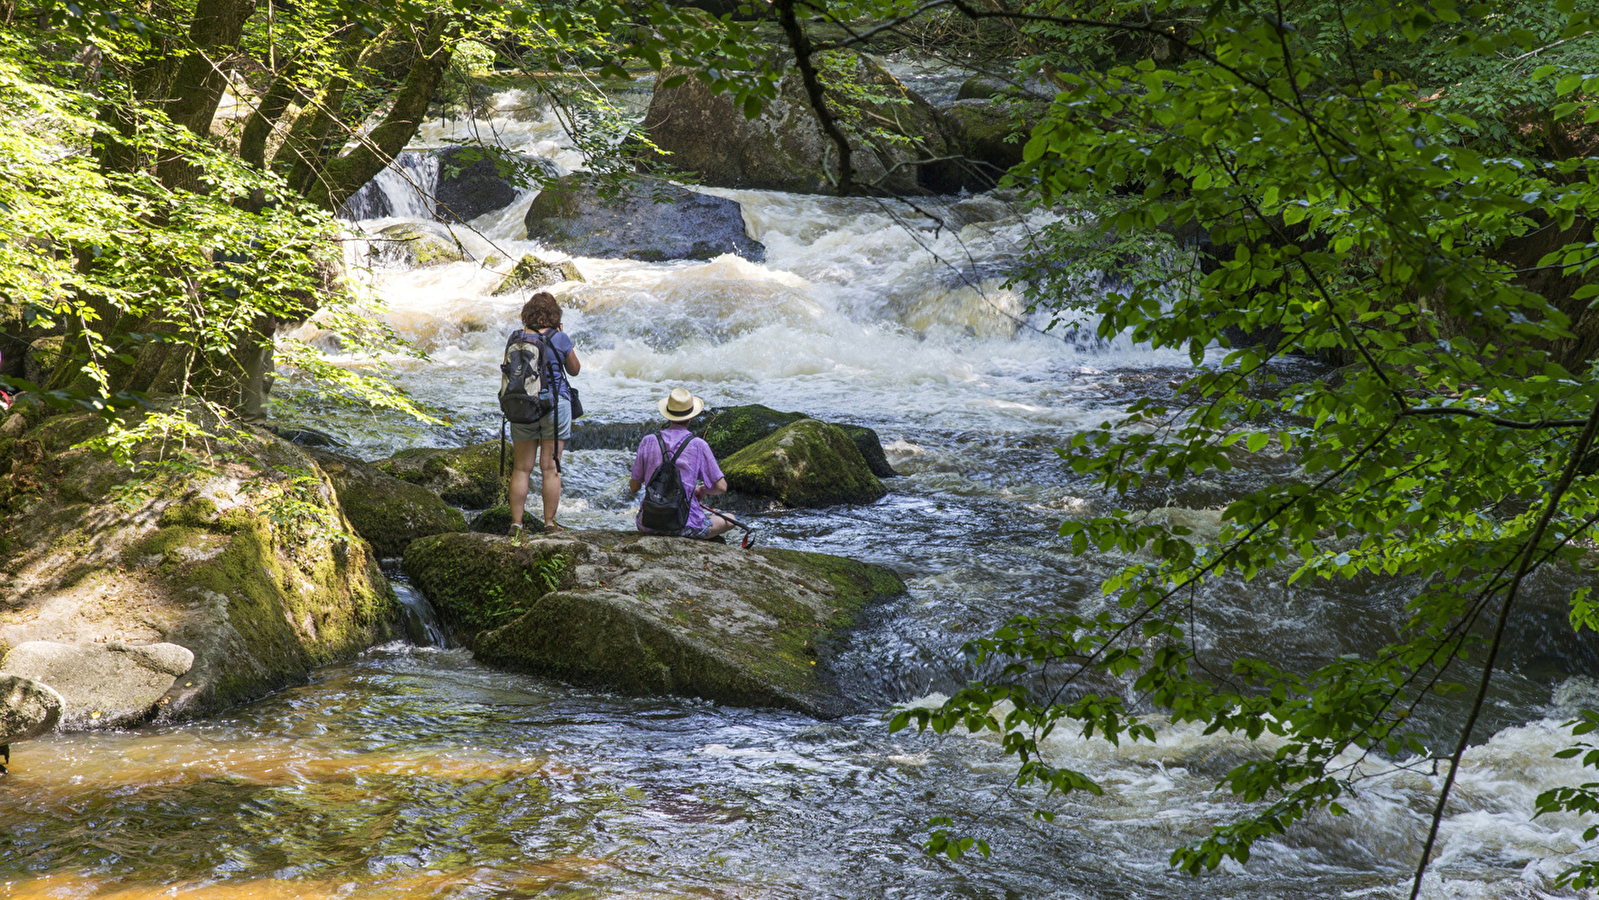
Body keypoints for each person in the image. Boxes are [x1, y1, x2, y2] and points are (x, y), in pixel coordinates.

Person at [508, 291, 580, 541]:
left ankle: (516, 524)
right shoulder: (559, 338)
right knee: (550, 468)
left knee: (521, 468)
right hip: (554, 406)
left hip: (522, 406)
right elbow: (575, 370)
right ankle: (549, 524)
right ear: (554, 315)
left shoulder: (516, 338)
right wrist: (560, 334)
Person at [628, 387, 740, 539]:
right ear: (692, 417)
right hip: (684, 526)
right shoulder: (698, 445)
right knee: (731, 519)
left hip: (648, 524)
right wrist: (702, 490)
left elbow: (634, 487)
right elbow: (721, 487)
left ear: (667, 414)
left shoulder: (648, 441)